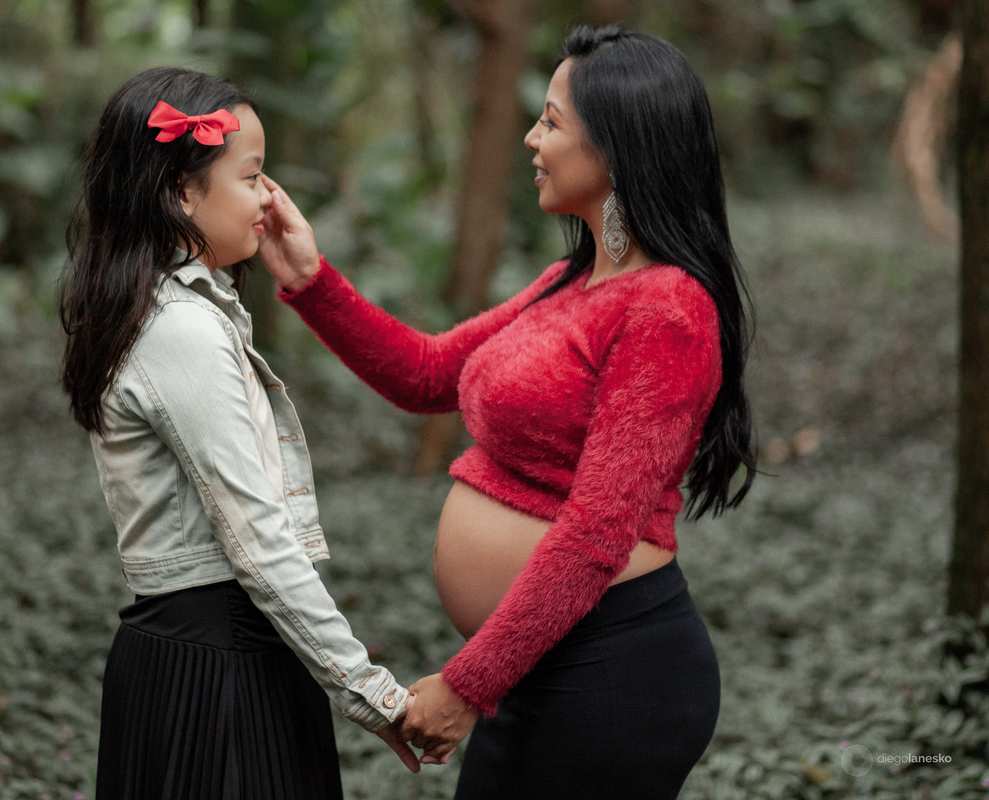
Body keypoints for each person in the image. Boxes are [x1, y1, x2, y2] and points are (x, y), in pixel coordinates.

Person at [256, 25, 756, 799]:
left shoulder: (668, 312)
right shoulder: (569, 282)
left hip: (613, 675)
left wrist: (466, 685)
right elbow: (429, 374)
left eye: (551, 121)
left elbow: (597, 532)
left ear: (618, 148)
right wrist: (310, 279)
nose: (531, 137)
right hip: (539, 663)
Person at [58, 67, 420, 800]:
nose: (270, 198)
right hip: (217, 672)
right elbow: (258, 542)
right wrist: (373, 694)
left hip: (218, 657)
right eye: (252, 176)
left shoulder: (170, 312)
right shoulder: (182, 331)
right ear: (181, 192)